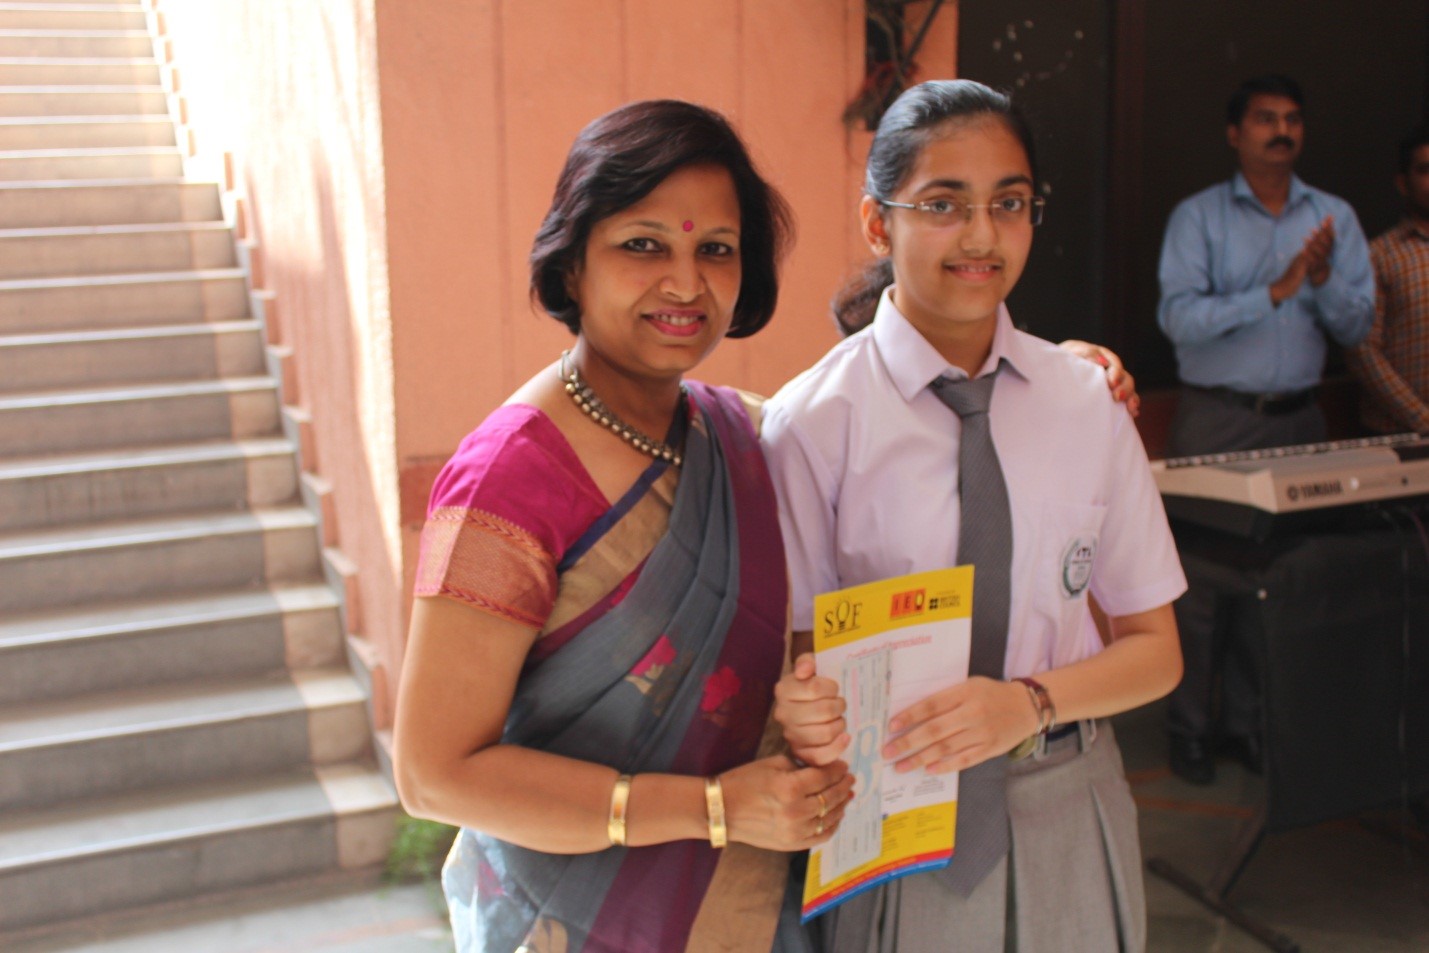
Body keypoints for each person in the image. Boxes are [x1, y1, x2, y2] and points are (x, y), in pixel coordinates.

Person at [391, 100, 856, 953]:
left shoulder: (745, 436)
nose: (684, 283)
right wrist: (712, 807)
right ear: (572, 265)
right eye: (643, 244)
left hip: (746, 911)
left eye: (715, 249)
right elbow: (433, 774)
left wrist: (1066, 378)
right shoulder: (511, 476)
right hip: (570, 919)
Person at [763, 79, 1186, 952]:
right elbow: (804, 658)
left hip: (1068, 801)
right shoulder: (812, 424)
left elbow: (1155, 650)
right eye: (943, 204)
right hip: (895, 818)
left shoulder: (1087, 403)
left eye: (1009, 203)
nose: (982, 235)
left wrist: (1028, 704)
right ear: (877, 223)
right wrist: (804, 708)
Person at [1155, 74, 1375, 784]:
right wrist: (1273, 291)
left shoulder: (1333, 218)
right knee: (1196, 588)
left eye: (1292, 119)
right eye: (1265, 118)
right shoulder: (1199, 218)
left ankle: (1245, 728)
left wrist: (1320, 281)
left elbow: (1357, 326)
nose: (1281, 130)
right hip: (1215, 421)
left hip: (1297, 423)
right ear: (1235, 133)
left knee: (1274, 586)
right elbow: (1179, 320)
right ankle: (1188, 731)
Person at [1348, 121, 1429, 435]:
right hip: (1399, 437)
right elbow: (1363, 352)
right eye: (1425, 170)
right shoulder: (1378, 256)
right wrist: (1422, 419)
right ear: (1403, 183)